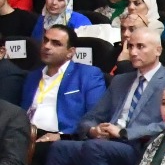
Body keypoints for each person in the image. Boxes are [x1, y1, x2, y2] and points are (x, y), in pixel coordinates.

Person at [37, 27, 165, 165]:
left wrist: (123, 133)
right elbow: (90, 117)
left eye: (140, 46)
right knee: (60, 148)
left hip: (140, 148)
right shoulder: (120, 80)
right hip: (105, 144)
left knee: (94, 147)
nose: (133, 52)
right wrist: (93, 130)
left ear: (158, 50)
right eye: (130, 46)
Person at [22, 25, 106, 155]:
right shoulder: (33, 76)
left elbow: (95, 116)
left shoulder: (87, 75)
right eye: (45, 40)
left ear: (70, 52)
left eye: (56, 43)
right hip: (25, 135)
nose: (47, 46)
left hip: (60, 138)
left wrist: (63, 135)